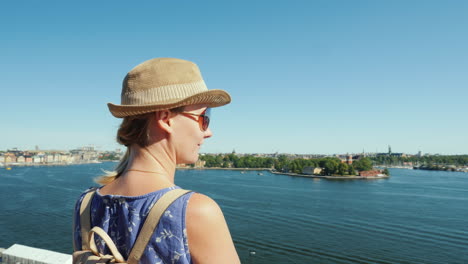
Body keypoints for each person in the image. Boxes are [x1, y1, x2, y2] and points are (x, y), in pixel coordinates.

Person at [73, 58, 241, 264]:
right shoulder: (195, 212)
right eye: (204, 118)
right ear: (166, 119)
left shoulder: (86, 204)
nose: (209, 132)